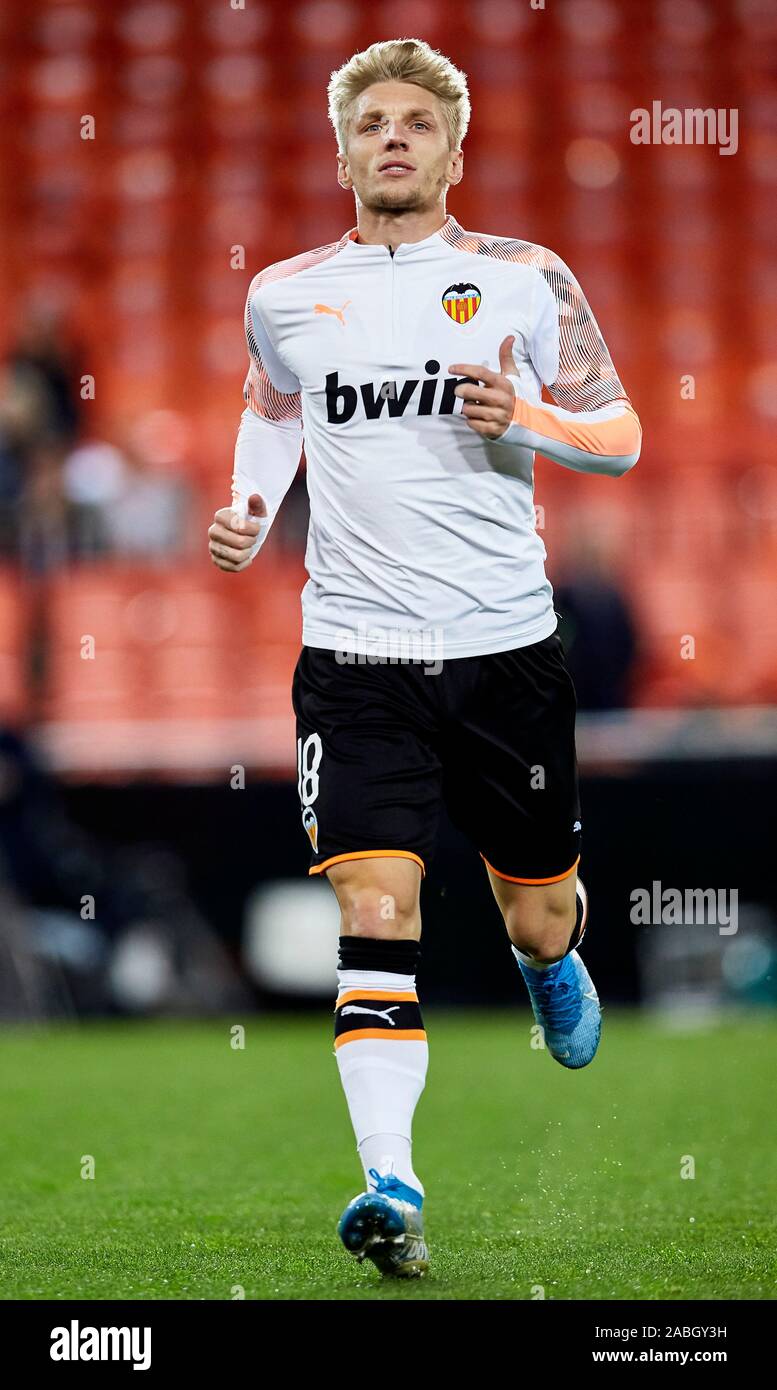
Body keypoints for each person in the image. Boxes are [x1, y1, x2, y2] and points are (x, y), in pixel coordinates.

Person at [207, 38, 641, 1279]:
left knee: (539, 907)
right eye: (372, 123)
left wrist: (534, 420)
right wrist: (248, 506)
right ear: (342, 150)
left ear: (456, 150)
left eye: (418, 123)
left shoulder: (521, 278)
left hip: (507, 652)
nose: (394, 139)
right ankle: (390, 1182)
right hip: (354, 657)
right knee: (373, 906)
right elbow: (274, 405)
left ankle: (546, 960)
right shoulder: (286, 292)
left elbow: (621, 431)